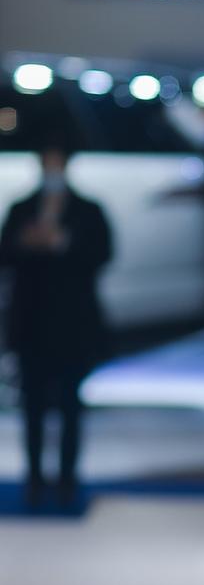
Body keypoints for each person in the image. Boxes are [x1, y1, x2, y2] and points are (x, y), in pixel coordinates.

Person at [0, 140, 113, 510]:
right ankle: (34, 477)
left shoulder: (88, 211)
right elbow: (5, 254)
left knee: (70, 404)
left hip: (72, 323)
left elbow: (103, 253)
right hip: (31, 321)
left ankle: (67, 477)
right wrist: (28, 242)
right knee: (32, 405)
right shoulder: (21, 209)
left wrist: (63, 242)